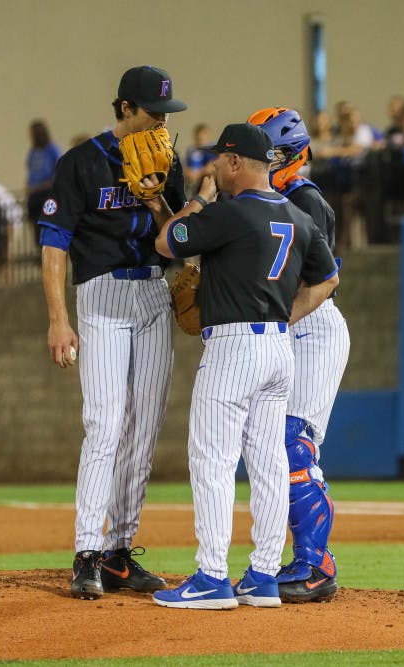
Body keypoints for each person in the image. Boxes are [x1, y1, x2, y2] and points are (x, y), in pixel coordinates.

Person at [146, 123, 339, 609]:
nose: (212, 168)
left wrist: (199, 202)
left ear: (235, 162)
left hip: (233, 348)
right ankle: (263, 576)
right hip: (279, 349)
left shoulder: (229, 214)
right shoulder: (298, 216)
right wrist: (281, 316)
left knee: (212, 459)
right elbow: (328, 280)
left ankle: (212, 576)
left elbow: (168, 243)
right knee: (269, 462)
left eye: (217, 161)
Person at [37, 65, 188, 600]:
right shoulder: (80, 164)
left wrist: (157, 200)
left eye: (167, 115)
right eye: (154, 113)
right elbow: (54, 244)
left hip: (151, 292)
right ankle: (86, 554)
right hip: (100, 296)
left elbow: (176, 240)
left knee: (143, 428)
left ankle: (121, 551)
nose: (162, 123)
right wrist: (59, 320)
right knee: (104, 425)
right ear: (125, 108)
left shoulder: (166, 161)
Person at [248, 107, 350, 602]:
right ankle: (288, 558)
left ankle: (316, 564)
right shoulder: (267, 198)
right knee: (269, 446)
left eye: (268, 151)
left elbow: (318, 281)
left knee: (294, 441)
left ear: (291, 154)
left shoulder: (303, 198)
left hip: (311, 325)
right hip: (286, 329)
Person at [26, 119, 63, 245]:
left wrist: (42, 186)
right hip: (34, 197)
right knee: (36, 231)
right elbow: (30, 171)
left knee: (48, 228)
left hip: (47, 194)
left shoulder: (52, 150)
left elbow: (58, 171)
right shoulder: (32, 152)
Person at [183, 123, 216, 197]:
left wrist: (198, 174)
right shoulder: (191, 150)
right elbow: (185, 167)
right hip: (192, 186)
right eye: (198, 139)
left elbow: (213, 167)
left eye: (202, 139)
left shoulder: (212, 149)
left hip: (206, 184)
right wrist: (190, 174)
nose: (200, 141)